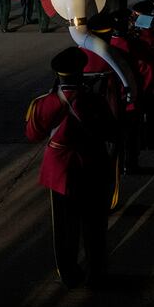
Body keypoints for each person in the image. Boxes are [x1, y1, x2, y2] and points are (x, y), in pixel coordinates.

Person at [24, 47, 116, 289]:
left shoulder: (45, 103)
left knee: (65, 226)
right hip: (91, 164)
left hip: (60, 169)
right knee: (94, 224)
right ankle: (96, 273)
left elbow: (33, 134)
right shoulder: (94, 100)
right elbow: (111, 131)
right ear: (80, 73)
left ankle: (68, 273)